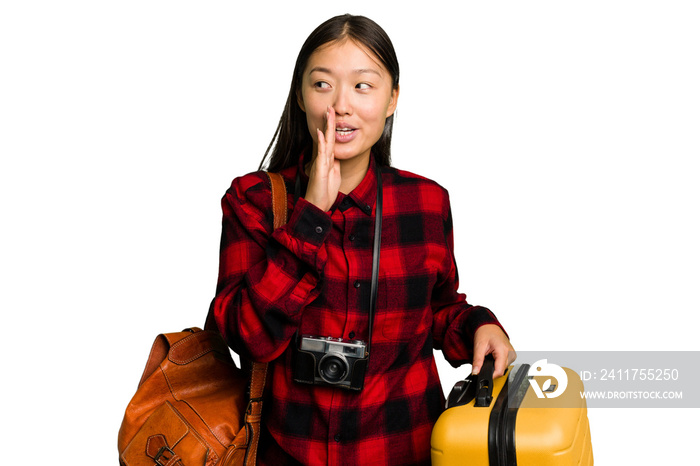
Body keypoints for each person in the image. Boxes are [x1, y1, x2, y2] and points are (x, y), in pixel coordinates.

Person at [208, 14, 515, 466]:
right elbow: (244, 336)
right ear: (300, 96)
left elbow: (437, 310)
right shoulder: (253, 200)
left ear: (392, 99)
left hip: (403, 448)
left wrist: (478, 326)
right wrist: (310, 217)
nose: (341, 106)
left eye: (362, 86)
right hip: (288, 452)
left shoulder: (425, 202)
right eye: (322, 85)